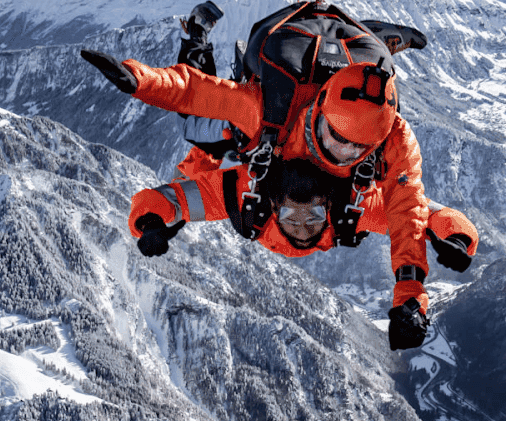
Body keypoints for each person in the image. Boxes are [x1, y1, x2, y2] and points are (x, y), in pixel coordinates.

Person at [81, 47, 443, 349]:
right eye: (335, 137)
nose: (343, 152)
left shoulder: (391, 137)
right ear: (319, 112)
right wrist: (141, 81)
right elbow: (199, 92)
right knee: (203, 133)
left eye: (358, 149)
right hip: (262, 134)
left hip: (278, 160)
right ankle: (195, 42)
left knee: (206, 148)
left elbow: (409, 209)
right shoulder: (271, 111)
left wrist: (411, 292)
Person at [128, 157, 478, 270]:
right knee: (202, 155)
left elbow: (426, 212)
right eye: (293, 218)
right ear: (274, 208)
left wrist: (453, 237)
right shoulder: (241, 192)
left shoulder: (354, 206)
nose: (302, 229)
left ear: (328, 208)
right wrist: (152, 222)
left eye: (312, 217)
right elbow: (172, 197)